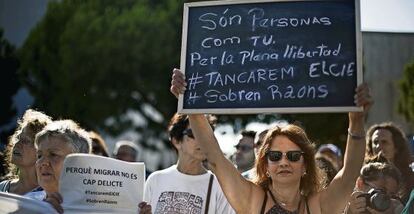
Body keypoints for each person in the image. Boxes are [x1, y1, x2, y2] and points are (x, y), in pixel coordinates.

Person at [171, 68, 372, 214]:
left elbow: (349, 173)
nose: (284, 162)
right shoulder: (252, 200)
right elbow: (215, 156)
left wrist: (356, 120)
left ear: (305, 165)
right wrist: (191, 104)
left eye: (293, 156)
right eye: (275, 156)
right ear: (265, 165)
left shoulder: (318, 207)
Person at [142, 113, 235, 214]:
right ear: (176, 141)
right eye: (193, 134)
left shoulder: (219, 186)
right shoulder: (156, 179)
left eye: (207, 134)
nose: (202, 139)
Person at [26, 119, 92, 213]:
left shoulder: (97, 208)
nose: (42, 162)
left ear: (79, 164)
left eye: (53, 154)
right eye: (39, 155)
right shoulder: (25, 203)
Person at [0, 109, 52, 195]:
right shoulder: (2, 188)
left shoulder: (49, 196)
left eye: (26, 141)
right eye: (18, 138)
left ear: (41, 152)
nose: (17, 143)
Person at [365, 122, 414, 202]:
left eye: (384, 142)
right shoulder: (364, 177)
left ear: (396, 148)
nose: (378, 146)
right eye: (375, 142)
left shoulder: (410, 177)